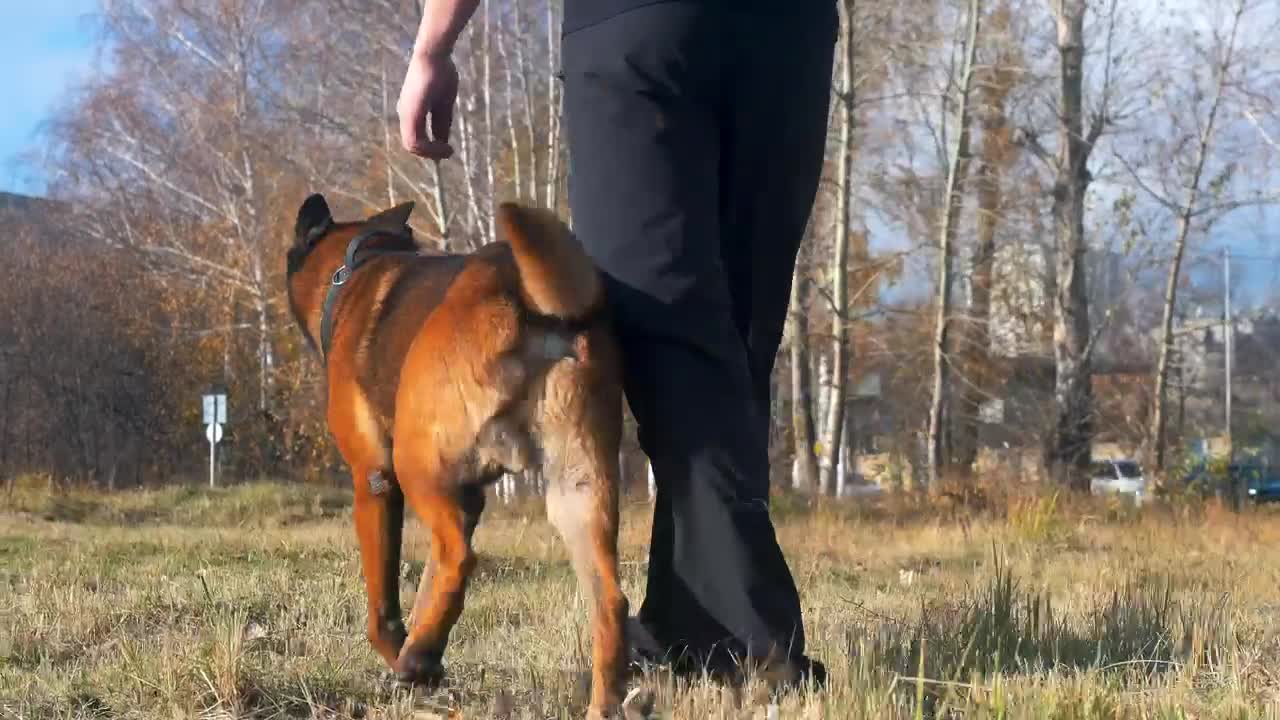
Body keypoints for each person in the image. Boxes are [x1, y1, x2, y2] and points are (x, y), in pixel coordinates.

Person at [398, 0, 837, 686]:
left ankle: (752, 647)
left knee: (670, 319)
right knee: (739, 334)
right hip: (789, 33)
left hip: (640, 28)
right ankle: (690, 627)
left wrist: (433, 47)